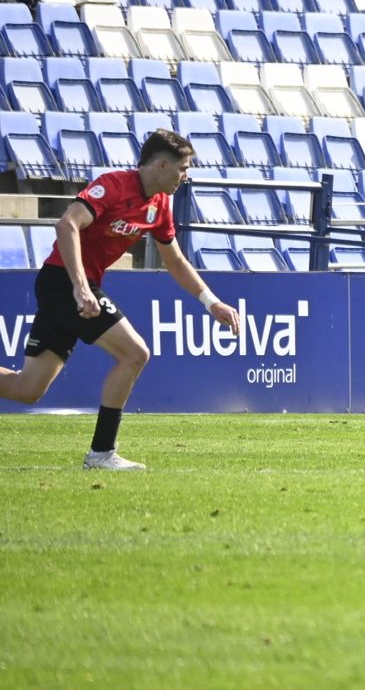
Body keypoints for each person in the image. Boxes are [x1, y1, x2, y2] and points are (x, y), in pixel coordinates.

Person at [0, 130, 241, 470]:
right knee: (135, 353)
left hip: (75, 287)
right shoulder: (113, 185)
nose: (185, 177)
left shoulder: (160, 205)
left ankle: (101, 454)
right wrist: (80, 287)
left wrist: (210, 301)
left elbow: (175, 261)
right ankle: (101, 453)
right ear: (162, 165)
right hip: (63, 282)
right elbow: (67, 224)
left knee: (28, 388)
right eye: (183, 168)